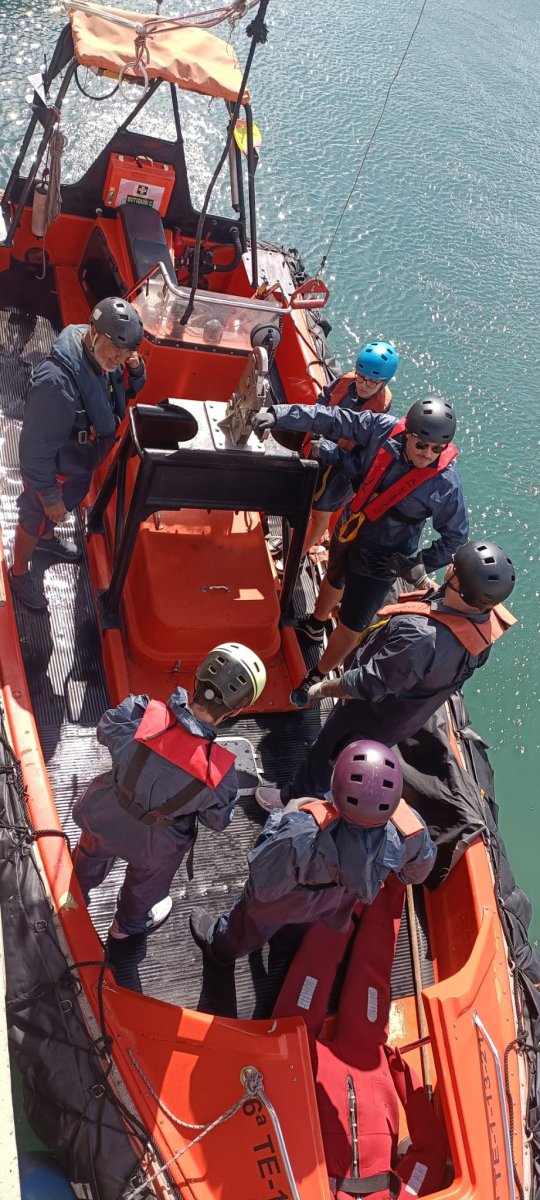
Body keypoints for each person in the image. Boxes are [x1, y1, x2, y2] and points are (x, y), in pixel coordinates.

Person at [255, 540, 517, 814]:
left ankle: (294, 800)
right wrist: (422, 580)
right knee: (349, 754)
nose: (450, 566)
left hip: (368, 715)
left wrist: (321, 689)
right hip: (403, 718)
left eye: (455, 568)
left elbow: (366, 684)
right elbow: (449, 613)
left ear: (459, 585)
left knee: (328, 752)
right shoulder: (481, 619)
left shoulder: (420, 638)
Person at [252, 395, 468, 706]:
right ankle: (315, 623)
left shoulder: (445, 485)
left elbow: (455, 538)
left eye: (437, 449)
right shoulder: (381, 428)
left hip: (384, 560)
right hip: (351, 528)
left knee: (353, 622)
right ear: (408, 433)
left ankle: (318, 673)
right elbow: (331, 419)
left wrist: (416, 564)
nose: (428, 455)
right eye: (421, 445)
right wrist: (278, 414)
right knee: (335, 577)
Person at [72, 643, 266, 962]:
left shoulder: (143, 712)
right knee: (145, 886)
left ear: (196, 681)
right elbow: (217, 821)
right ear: (236, 710)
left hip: (105, 816)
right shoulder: (218, 771)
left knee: (90, 854)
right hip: (155, 845)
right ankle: (127, 925)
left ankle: (77, 890)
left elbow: (106, 728)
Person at [189, 741, 436, 966]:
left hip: (287, 899)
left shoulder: (304, 830)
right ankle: (285, 946)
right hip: (337, 902)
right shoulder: (411, 827)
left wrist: (285, 813)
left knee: (253, 919)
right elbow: (416, 872)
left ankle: (220, 948)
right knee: (303, 923)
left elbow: (262, 884)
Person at [9, 296, 146, 611]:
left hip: (78, 466)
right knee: (34, 516)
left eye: (128, 352)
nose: (121, 358)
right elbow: (34, 450)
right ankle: (18, 573)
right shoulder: (55, 385)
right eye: (116, 349)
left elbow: (126, 391)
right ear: (94, 334)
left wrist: (136, 367)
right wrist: (48, 495)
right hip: (54, 473)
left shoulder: (106, 360)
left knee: (57, 513)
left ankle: (46, 539)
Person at [304, 339, 398, 554]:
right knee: (307, 502)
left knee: (320, 514)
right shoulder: (345, 383)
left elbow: (363, 464)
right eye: (361, 377)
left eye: (372, 382)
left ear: (383, 383)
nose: (364, 385)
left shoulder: (382, 419)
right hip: (318, 453)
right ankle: (316, 535)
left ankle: (297, 555)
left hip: (340, 475)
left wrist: (332, 452)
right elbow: (324, 398)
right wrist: (316, 430)